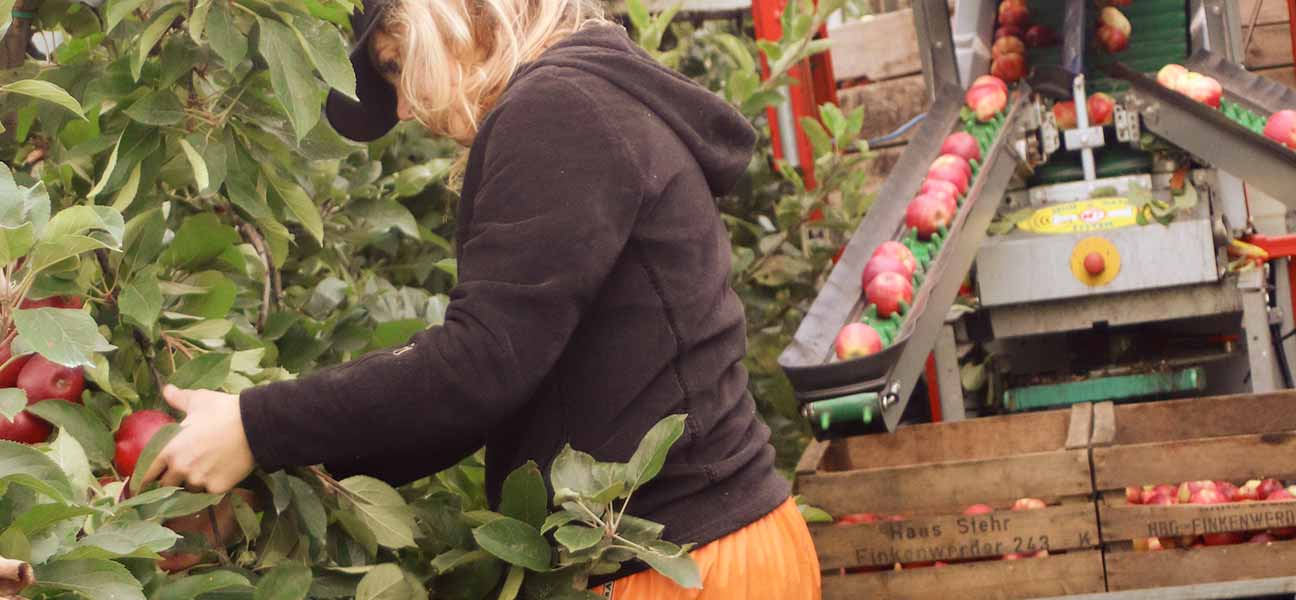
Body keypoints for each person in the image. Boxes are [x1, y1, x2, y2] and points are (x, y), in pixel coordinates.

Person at [141, 0, 823, 596]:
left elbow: (480, 366)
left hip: (682, 567)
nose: (404, 107)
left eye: (392, 62)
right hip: (709, 552)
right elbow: (487, 394)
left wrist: (255, 426)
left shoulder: (560, 109)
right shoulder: (589, 100)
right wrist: (272, 465)